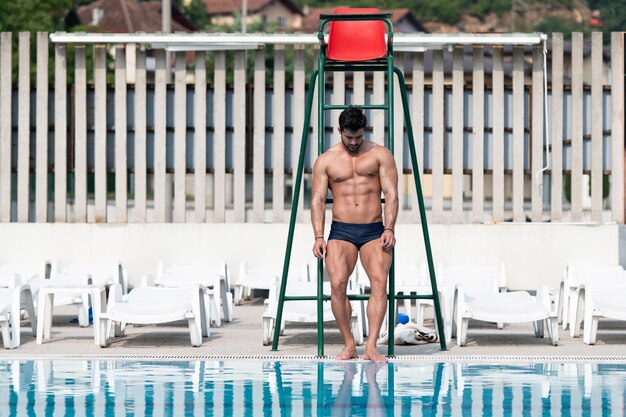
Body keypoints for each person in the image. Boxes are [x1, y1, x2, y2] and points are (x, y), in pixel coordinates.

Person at [311, 105, 398, 363]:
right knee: (337, 284)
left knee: (380, 283)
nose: (353, 142)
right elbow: (317, 200)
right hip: (341, 230)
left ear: (365, 131)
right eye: (348, 137)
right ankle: (349, 344)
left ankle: (371, 346)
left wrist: (390, 228)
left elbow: (391, 194)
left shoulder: (380, 155)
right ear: (339, 131)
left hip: (374, 230)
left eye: (358, 137)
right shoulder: (326, 160)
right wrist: (318, 236)